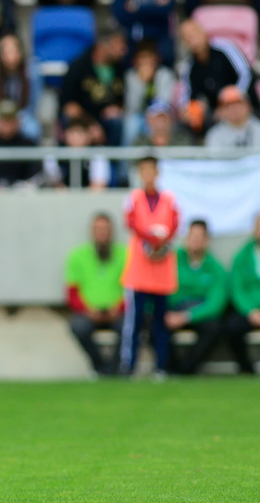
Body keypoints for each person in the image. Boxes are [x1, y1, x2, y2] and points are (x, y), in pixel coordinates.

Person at [119, 156, 179, 376]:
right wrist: (150, 240)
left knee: (160, 322)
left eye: (151, 170)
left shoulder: (169, 199)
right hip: (139, 270)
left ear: (157, 172)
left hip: (162, 269)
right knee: (134, 322)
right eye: (143, 170)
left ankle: (162, 366)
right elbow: (131, 223)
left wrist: (160, 243)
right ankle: (129, 366)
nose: (148, 175)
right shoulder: (133, 198)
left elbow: (174, 224)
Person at [65, 213, 127, 375]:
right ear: (91, 231)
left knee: (129, 327)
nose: (102, 233)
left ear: (112, 231)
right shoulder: (78, 256)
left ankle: (113, 369)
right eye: (98, 229)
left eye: (105, 229)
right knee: (78, 327)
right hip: (88, 313)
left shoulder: (126, 255)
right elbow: (72, 293)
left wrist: (118, 308)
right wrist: (88, 311)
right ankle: (100, 366)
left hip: (117, 313)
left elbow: (132, 290)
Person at [165, 220, 227, 375]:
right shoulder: (171, 260)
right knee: (156, 323)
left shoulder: (216, 268)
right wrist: (168, 313)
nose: (195, 240)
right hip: (174, 310)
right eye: (192, 235)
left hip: (199, 312)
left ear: (207, 241)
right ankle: (168, 367)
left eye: (200, 236)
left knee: (214, 328)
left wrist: (186, 316)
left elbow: (215, 304)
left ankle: (186, 369)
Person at [177, 19, 259, 134]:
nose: (192, 39)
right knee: (183, 125)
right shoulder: (189, 67)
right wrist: (188, 110)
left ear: (203, 32)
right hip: (216, 116)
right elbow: (186, 98)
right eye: (186, 37)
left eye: (194, 34)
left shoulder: (224, 47)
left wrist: (230, 100)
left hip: (244, 107)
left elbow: (246, 74)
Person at [60, 26, 128, 146]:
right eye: (118, 44)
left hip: (108, 122)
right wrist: (90, 124)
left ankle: (112, 158)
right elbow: (69, 106)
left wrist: (117, 108)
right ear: (104, 45)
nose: (123, 49)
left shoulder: (121, 69)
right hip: (83, 120)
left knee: (119, 121)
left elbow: (124, 100)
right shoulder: (78, 67)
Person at [0, 33, 41, 142]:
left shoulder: (32, 73)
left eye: (14, 51)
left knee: (33, 129)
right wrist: (2, 122)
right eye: (6, 52)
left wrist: (15, 122)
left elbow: (32, 107)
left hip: (22, 117)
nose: (11, 56)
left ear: (21, 52)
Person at [224, 214, 260, 375]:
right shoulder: (242, 256)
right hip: (249, 310)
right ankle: (246, 367)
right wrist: (250, 311)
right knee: (232, 327)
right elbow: (237, 289)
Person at [123, 41, 177, 146]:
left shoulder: (165, 74)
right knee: (132, 123)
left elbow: (164, 104)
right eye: (142, 57)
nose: (146, 61)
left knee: (160, 123)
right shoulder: (131, 76)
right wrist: (142, 83)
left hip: (160, 116)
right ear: (136, 60)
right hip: (140, 117)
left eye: (149, 57)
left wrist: (152, 117)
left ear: (156, 59)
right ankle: (127, 156)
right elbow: (132, 107)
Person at [113, 0, 175, 67]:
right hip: (131, 35)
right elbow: (120, 14)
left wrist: (136, 8)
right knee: (122, 54)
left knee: (167, 55)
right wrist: (154, 6)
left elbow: (165, 10)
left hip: (160, 33)